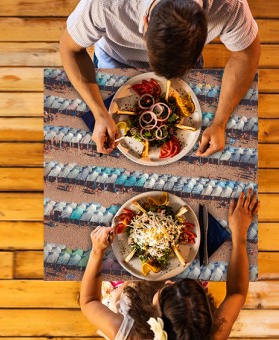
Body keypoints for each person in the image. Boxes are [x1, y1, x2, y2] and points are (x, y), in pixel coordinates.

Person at [60, 0, 261, 155]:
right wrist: (99, 113)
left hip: (187, 70)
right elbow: (69, 49)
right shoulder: (103, 4)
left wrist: (220, 122)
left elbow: (246, 54)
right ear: (145, 23)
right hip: (115, 61)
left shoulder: (229, 6)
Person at [80, 189, 260, 339]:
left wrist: (97, 251)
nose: (170, 281)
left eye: (168, 289)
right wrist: (239, 235)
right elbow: (237, 293)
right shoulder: (212, 335)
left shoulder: (130, 334)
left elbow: (89, 301)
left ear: (154, 319)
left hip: (130, 295)